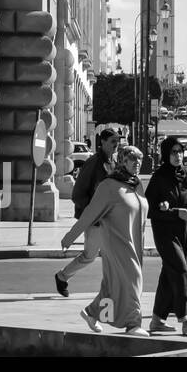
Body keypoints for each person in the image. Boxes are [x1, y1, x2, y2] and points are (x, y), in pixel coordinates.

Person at [60, 144, 147, 335]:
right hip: (116, 244)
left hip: (134, 243)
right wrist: (70, 237)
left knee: (114, 285)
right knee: (133, 280)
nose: (138, 163)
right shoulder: (109, 186)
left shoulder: (136, 184)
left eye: (140, 159)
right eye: (133, 159)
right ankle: (134, 324)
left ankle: (91, 313)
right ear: (122, 161)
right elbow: (89, 214)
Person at [144, 135, 187, 336]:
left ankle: (156, 320)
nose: (178, 156)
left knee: (168, 276)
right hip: (165, 233)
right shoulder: (159, 178)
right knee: (181, 271)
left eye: (180, 152)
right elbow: (150, 209)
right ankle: (185, 318)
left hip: (183, 233)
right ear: (166, 154)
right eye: (173, 152)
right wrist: (173, 212)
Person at [54, 127, 120, 298]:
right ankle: (62, 276)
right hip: (96, 220)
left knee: (112, 255)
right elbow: (78, 194)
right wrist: (93, 211)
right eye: (113, 141)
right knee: (89, 256)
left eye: (117, 141)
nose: (116, 144)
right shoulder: (93, 163)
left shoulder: (113, 162)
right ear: (103, 142)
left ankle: (111, 290)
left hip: (110, 219)